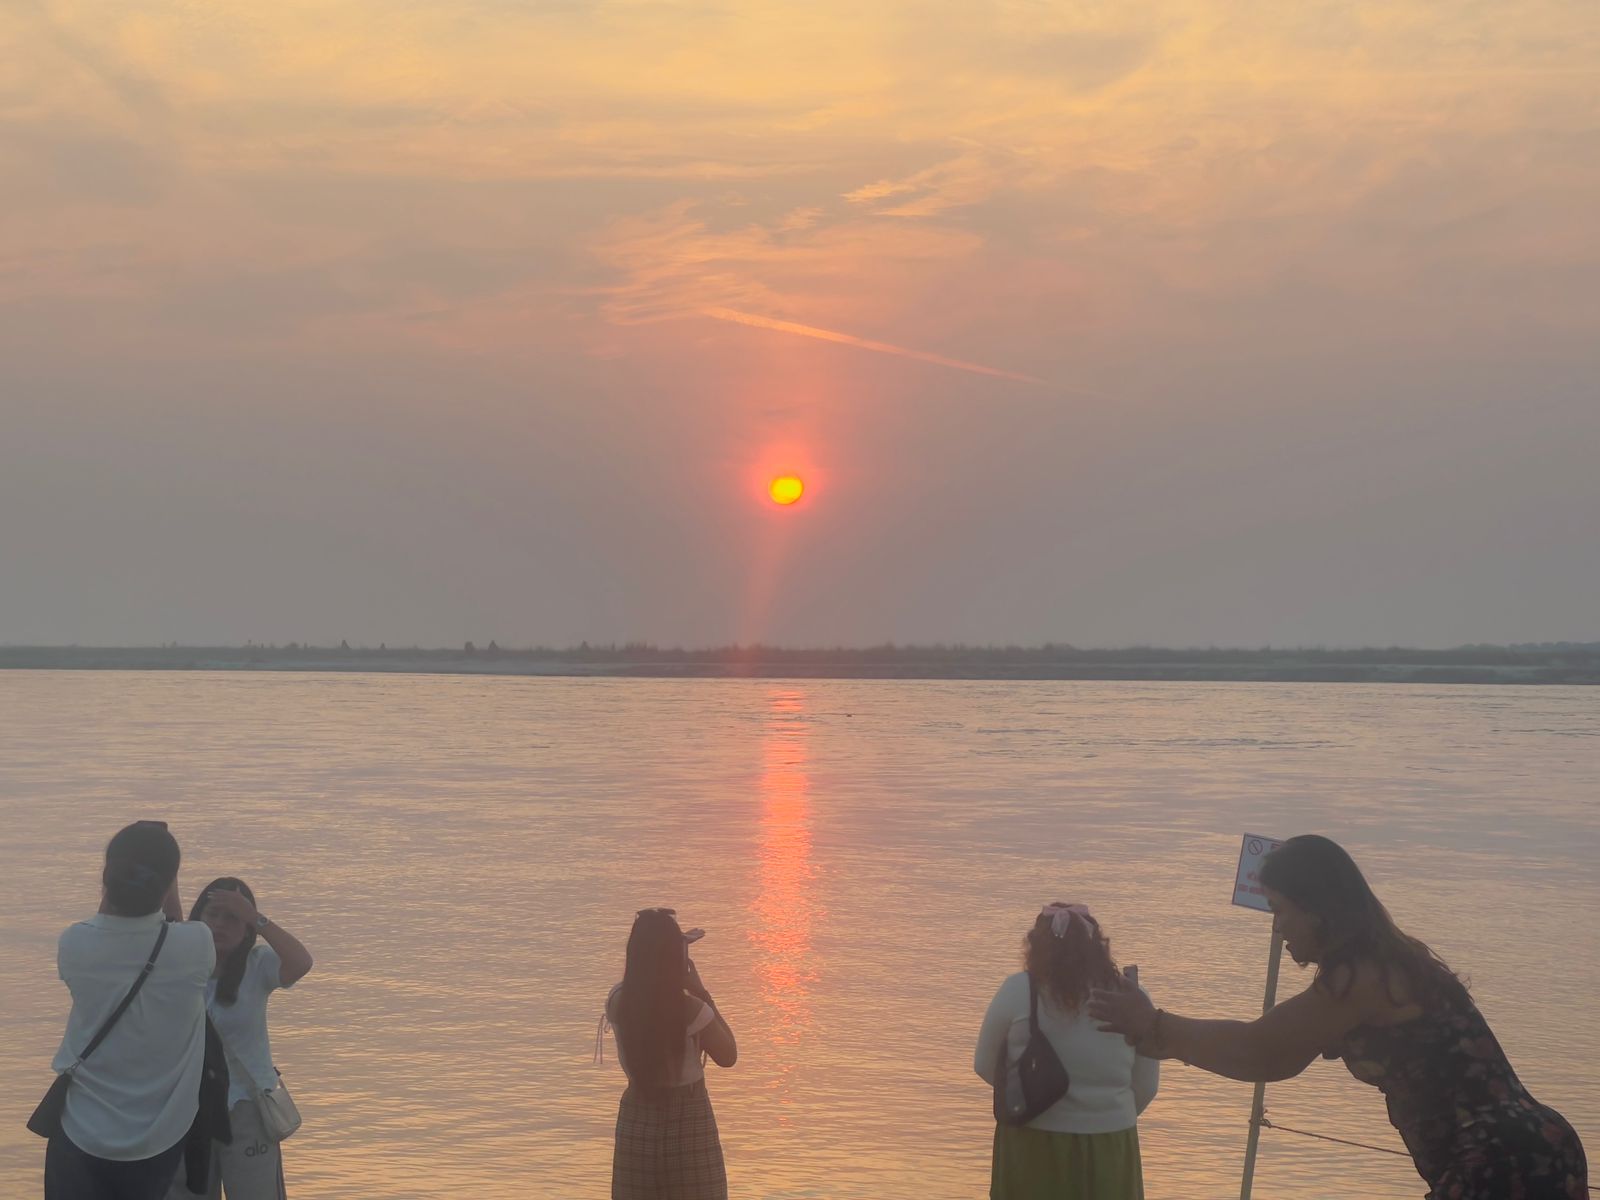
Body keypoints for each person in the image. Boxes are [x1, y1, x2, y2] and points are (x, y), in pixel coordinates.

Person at [1088, 834, 1590, 1200]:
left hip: (1499, 1160)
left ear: (1317, 909)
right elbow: (1282, 1049)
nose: (1277, 928)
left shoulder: (1360, 976)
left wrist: (1156, 1025)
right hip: (1528, 1147)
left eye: (1280, 909)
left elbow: (1263, 1052)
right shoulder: (1384, 959)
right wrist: (1168, 1041)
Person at [45, 821, 215, 1200]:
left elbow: (105, 923)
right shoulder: (197, 944)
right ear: (168, 882)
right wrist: (167, 877)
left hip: (80, 1129)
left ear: (108, 878)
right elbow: (172, 930)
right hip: (159, 1137)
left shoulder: (74, 943)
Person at [976, 903, 1158, 1200]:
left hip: (1032, 1139)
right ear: (1097, 946)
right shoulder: (1133, 997)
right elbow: (1147, 1086)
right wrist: (1101, 1113)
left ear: (1036, 945)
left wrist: (1037, 1101)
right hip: (1111, 1143)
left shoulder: (1018, 990)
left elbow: (984, 1064)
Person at [168, 878, 314, 1200]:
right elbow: (169, 922)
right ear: (198, 918)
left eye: (232, 918)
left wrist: (256, 918)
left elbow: (301, 962)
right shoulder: (179, 964)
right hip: (187, 1109)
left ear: (246, 930)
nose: (220, 924)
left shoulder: (257, 965)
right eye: (213, 914)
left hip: (246, 1107)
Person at [604, 908, 737, 1200]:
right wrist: (700, 991)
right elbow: (728, 1055)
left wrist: (668, 946)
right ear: (675, 959)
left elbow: (648, 985)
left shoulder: (618, 1002)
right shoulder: (691, 1010)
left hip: (636, 1117)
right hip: (689, 1119)